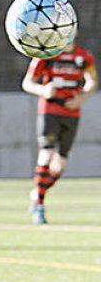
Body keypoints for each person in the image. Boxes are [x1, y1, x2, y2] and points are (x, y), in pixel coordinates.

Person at [22, 41, 96, 224]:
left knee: (60, 165)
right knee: (46, 154)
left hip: (72, 113)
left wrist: (82, 98)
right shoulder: (45, 55)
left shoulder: (84, 56)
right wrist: (43, 90)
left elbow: (92, 81)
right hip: (50, 111)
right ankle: (39, 205)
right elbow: (27, 83)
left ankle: (37, 193)